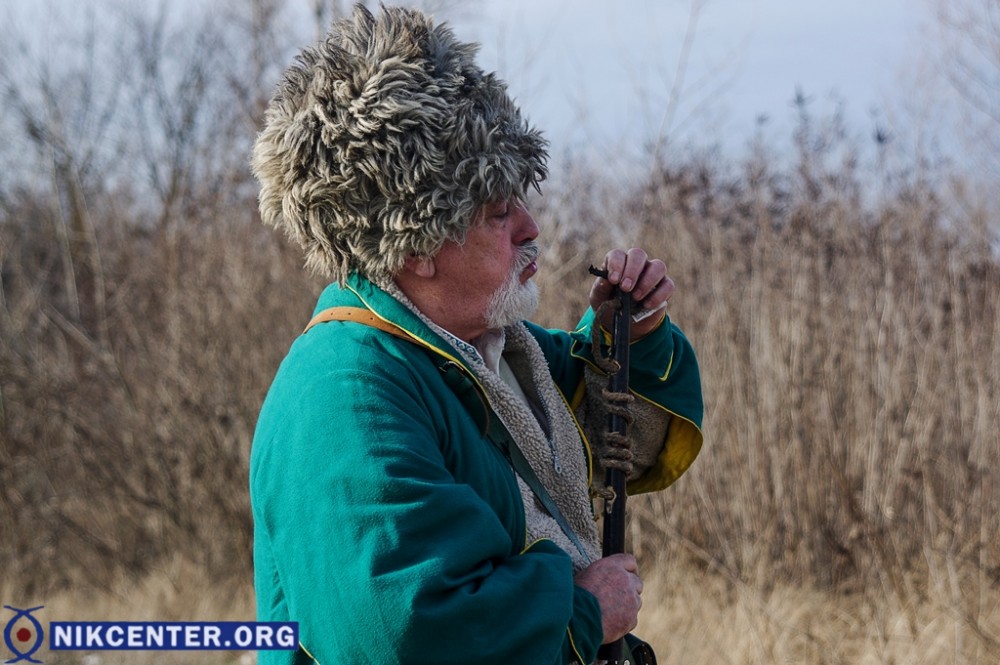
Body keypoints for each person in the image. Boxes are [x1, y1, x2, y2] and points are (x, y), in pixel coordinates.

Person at [249, 6, 703, 664]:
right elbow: (404, 630)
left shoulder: (497, 352)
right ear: (416, 247)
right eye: (497, 211)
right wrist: (580, 611)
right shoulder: (344, 396)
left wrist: (632, 335)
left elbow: (623, 451)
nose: (530, 226)